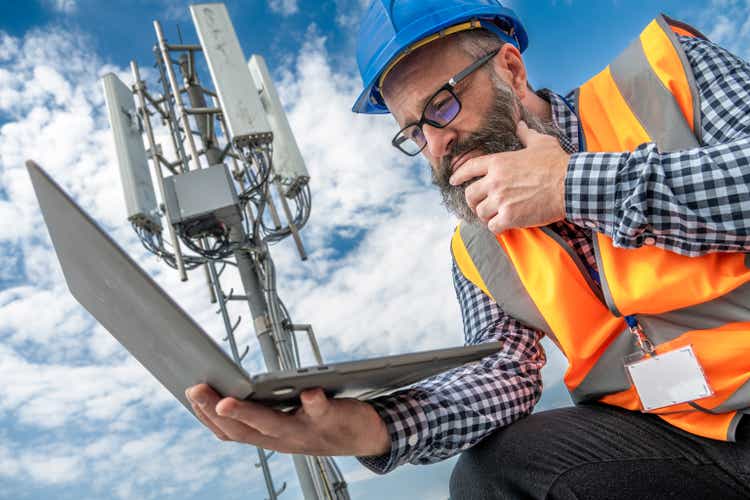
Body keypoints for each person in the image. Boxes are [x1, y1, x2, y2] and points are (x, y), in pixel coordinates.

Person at [186, 1, 750, 498]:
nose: (436, 145)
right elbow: (503, 371)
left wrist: (569, 186)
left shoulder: (666, 73)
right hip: (677, 444)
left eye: (444, 105)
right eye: (414, 132)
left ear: (510, 68)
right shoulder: (477, 248)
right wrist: (374, 427)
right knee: (494, 471)